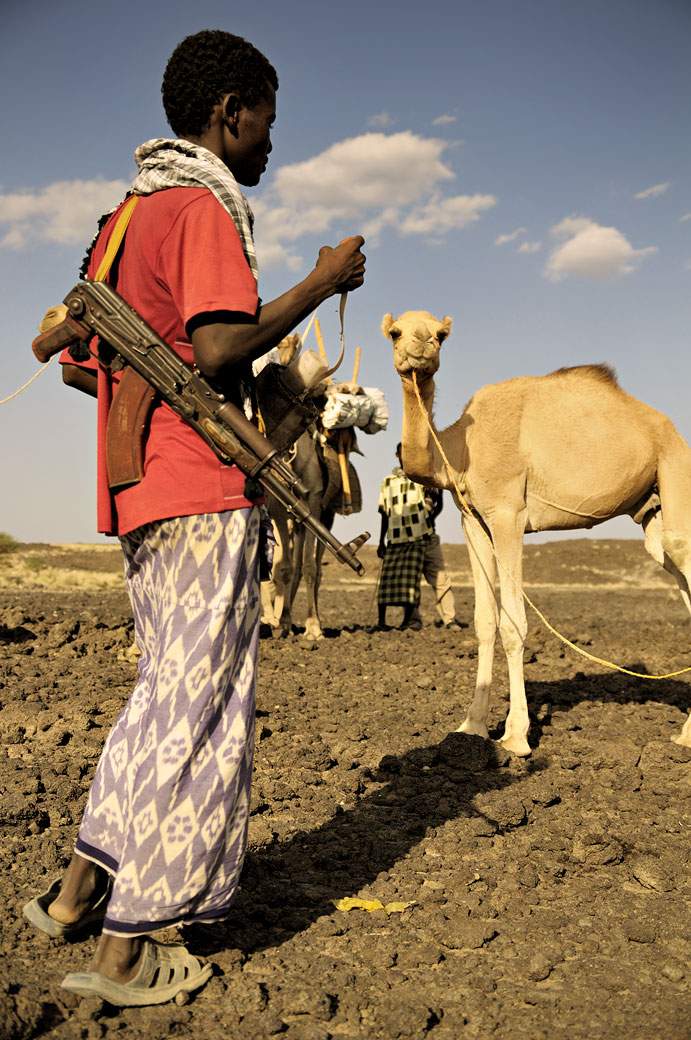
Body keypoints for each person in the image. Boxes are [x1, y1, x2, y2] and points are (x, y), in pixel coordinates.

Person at [22, 29, 365, 1007]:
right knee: (198, 705)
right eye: (263, 122)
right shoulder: (205, 202)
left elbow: (91, 365)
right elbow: (216, 346)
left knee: (159, 690)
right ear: (228, 113)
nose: (267, 143)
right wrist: (319, 283)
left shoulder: (122, 221)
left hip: (138, 490)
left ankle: (78, 893)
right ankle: (137, 943)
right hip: (203, 486)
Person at [376, 443, 430, 630]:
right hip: (395, 537)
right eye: (402, 453)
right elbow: (384, 512)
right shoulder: (388, 482)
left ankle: (407, 621)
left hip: (417, 537)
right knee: (386, 583)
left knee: (410, 584)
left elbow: (436, 502)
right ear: (397, 454)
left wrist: (428, 525)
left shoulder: (422, 479)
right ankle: (381, 622)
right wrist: (381, 541)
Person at [411, 488, 464, 630]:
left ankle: (449, 618)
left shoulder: (430, 480)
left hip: (429, 536)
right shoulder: (400, 483)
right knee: (410, 582)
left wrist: (430, 520)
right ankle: (413, 620)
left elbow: (439, 505)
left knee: (441, 580)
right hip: (407, 538)